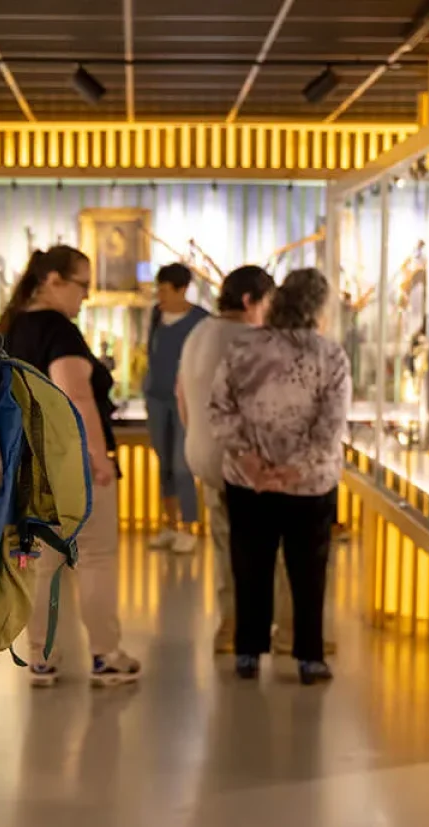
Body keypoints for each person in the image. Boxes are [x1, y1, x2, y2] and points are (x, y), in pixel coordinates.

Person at [0, 245, 143, 687]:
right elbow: (75, 396)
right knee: (96, 558)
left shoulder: (8, 328)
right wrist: (98, 458)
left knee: (40, 563)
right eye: (82, 284)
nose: (86, 295)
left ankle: (40, 658)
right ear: (54, 281)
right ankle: (104, 654)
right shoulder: (59, 331)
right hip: (70, 468)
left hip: (25, 467)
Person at [208, 268, 350, 685]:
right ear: (320, 308)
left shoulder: (242, 348)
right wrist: (294, 469)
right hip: (309, 486)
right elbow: (331, 425)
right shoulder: (330, 356)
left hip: (247, 481)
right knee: (308, 572)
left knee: (250, 566)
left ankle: (248, 652)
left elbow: (218, 408)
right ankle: (309, 657)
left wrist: (251, 461)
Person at [177, 265, 272, 651]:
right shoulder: (253, 339)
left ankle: (227, 625)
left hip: (202, 454)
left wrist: (197, 435)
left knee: (222, 543)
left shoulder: (199, 331)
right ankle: (262, 629)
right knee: (260, 550)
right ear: (250, 301)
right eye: (267, 303)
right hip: (242, 462)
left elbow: (181, 395)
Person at [144, 263, 208, 554]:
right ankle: (170, 526)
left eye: (165, 289)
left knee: (183, 466)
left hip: (187, 402)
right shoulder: (157, 315)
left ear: (182, 289)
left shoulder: (201, 321)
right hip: (156, 399)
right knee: (165, 464)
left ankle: (190, 526)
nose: (160, 294)